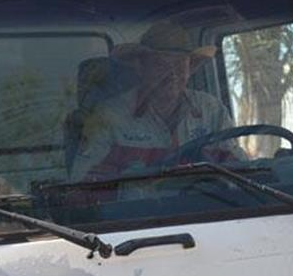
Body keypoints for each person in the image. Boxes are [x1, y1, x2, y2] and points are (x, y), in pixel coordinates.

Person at [71, 21, 241, 181]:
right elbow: (84, 181)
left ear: (189, 69)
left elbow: (239, 168)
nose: (171, 74)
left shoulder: (211, 109)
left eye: (180, 65)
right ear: (142, 67)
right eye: (161, 65)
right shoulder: (109, 115)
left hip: (207, 201)